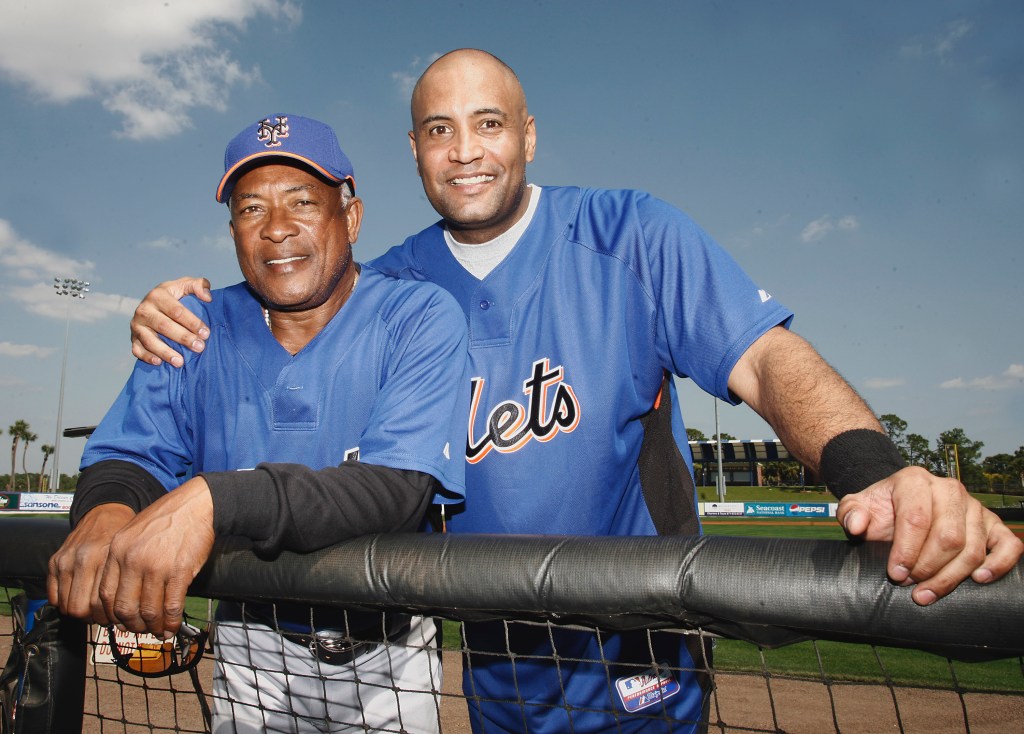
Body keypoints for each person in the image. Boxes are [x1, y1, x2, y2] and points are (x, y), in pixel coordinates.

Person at [127, 50, 1024, 733]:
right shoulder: (384, 290)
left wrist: (872, 470)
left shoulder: (629, 233)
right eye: (440, 129)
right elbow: (280, 315)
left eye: (488, 123)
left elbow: (766, 360)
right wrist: (185, 309)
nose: (466, 150)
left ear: (527, 135)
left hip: (640, 656)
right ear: (413, 150)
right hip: (494, 663)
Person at [48, 114, 470, 733]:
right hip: (251, 648)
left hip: (389, 657)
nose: (276, 228)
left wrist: (215, 500)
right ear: (233, 231)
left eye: (303, 201)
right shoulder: (194, 325)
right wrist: (105, 512)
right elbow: (130, 455)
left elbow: (397, 489)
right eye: (251, 209)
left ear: (350, 218)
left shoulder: (416, 314)